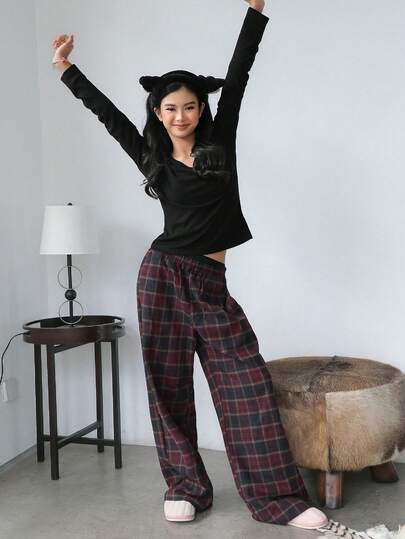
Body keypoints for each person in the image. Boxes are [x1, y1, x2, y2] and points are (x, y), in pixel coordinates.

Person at [51, 0, 330, 530]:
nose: (180, 116)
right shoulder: (152, 157)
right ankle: (185, 486)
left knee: (246, 385)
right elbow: (107, 114)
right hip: (162, 277)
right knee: (168, 386)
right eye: (170, 109)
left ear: (202, 109)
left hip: (210, 282)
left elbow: (239, 73)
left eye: (189, 107)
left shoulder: (219, 143)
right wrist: (67, 69)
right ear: (158, 113)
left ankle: (279, 499)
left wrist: (255, 11)